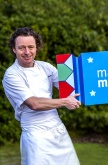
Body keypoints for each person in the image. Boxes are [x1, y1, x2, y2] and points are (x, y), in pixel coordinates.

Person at [2, 27, 81, 165]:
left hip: (59, 132)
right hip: (35, 136)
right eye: (21, 48)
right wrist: (64, 102)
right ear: (14, 49)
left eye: (31, 47)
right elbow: (34, 103)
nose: (27, 52)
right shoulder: (11, 75)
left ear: (37, 47)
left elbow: (76, 89)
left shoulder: (46, 67)